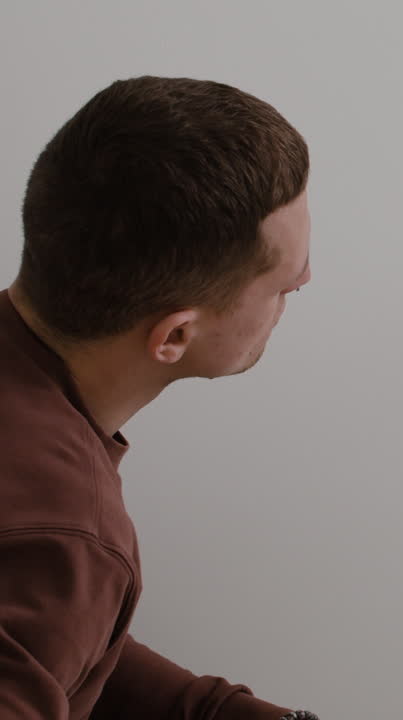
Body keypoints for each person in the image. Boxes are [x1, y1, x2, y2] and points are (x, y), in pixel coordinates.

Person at [0, 76, 318, 719]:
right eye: (284, 282)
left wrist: (213, 710)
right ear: (174, 335)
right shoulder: (64, 535)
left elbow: (34, 645)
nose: (306, 280)